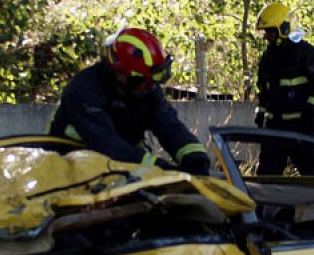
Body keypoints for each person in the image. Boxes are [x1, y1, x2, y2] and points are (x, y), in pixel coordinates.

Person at [49, 26, 213, 174]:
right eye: (145, 80)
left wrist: (195, 157)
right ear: (121, 75)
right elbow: (107, 146)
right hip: (69, 169)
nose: (150, 87)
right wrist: (161, 168)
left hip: (118, 169)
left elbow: (169, 126)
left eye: (154, 79)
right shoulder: (85, 90)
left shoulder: (146, 91)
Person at [253, 1, 314, 177]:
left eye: (269, 31)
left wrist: (312, 110)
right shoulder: (267, 58)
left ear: (284, 28)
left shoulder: (306, 53)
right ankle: (267, 206)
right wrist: (261, 113)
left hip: (302, 128)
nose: (266, 37)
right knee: (266, 180)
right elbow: (264, 91)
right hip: (275, 129)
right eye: (265, 32)